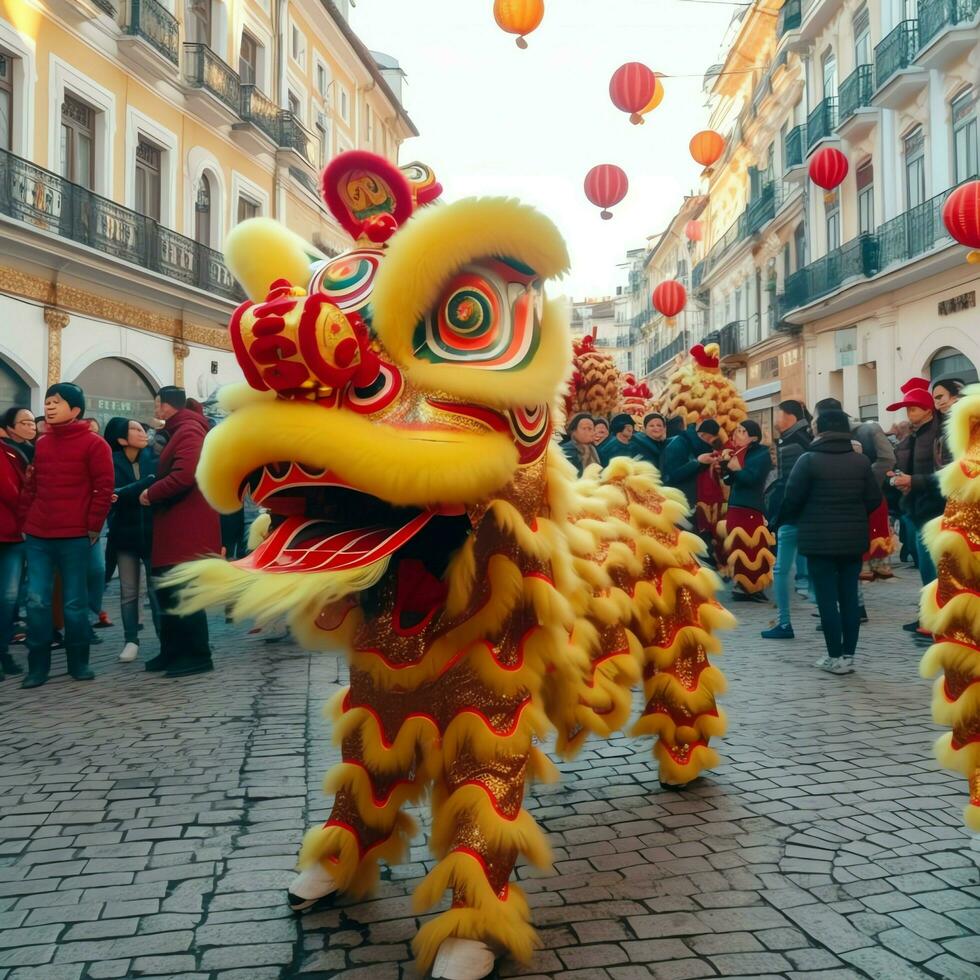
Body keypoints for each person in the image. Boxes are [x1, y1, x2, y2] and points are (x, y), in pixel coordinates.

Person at [19, 383, 113, 688]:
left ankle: (78, 662)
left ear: (75, 409)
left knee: (74, 602)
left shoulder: (95, 445)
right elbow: (32, 485)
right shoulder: (43, 443)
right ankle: (38, 666)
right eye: (47, 402)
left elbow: (103, 488)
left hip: (75, 536)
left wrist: (93, 526)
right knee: (36, 601)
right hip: (38, 535)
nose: (48, 407)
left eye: (56, 402)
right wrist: (26, 519)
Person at [777, 409, 882, 675]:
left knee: (826, 598)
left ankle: (834, 655)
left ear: (819, 429)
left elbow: (792, 498)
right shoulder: (859, 461)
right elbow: (873, 499)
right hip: (852, 541)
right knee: (849, 597)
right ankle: (848, 656)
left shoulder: (808, 460)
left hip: (818, 540)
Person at [140, 386, 221, 677]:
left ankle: (197, 654)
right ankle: (173, 651)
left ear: (165, 405)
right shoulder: (180, 429)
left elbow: (185, 474)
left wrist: (151, 493)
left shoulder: (188, 430)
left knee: (183, 592)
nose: (155, 409)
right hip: (175, 524)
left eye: (157, 403)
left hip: (186, 526)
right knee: (168, 591)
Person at [886, 378, 944, 638]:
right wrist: (898, 479)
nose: (909, 414)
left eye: (913, 409)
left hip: (936, 509)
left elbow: (945, 474)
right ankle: (927, 614)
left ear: (928, 410)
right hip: (915, 508)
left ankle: (937, 619)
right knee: (924, 565)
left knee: (933, 567)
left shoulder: (941, 434)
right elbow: (907, 468)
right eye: (907, 410)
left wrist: (913, 481)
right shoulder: (912, 435)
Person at [104, 417, 160, 663]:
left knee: (155, 590)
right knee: (128, 592)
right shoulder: (111, 462)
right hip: (124, 536)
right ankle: (130, 639)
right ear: (121, 439)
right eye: (136, 429)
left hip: (154, 534)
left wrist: (125, 493)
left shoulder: (154, 458)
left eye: (142, 428)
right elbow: (111, 495)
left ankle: (164, 638)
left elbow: (156, 486)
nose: (143, 432)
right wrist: (143, 486)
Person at [762, 400, 813, 638]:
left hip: (792, 516)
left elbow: (788, 484)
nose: (776, 421)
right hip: (807, 515)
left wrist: (776, 515)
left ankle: (784, 623)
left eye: (779, 415)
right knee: (815, 568)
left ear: (790, 417)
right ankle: (827, 614)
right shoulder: (804, 438)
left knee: (781, 569)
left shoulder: (792, 444)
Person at [719, 420, 774, 602]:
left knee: (752, 547)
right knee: (737, 545)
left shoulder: (761, 455)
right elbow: (729, 480)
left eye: (742, 431)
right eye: (737, 431)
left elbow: (752, 479)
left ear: (753, 436)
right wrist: (726, 468)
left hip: (751, 506)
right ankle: (741, 584)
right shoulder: (737, 453)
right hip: (735, 505)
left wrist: (736, 469)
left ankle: (755, 587)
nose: (737, 434)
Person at [663, 418, 724, 561]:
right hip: (683, 504)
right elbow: (671, 476)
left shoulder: (701, 447)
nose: (712, 445)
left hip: (699, 504)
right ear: (705, 436)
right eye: (711, 441)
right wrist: (697, 462)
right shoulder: (679, 444)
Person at [0, 438, 26, 680]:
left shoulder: (10, 453)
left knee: (8, 599)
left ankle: (3, 651)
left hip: (12, 535)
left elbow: (20, 491)